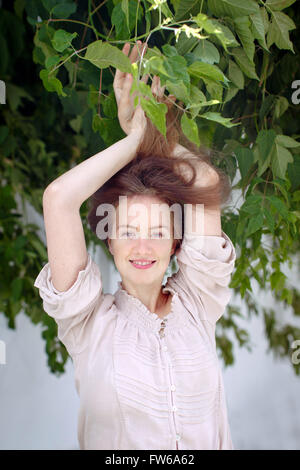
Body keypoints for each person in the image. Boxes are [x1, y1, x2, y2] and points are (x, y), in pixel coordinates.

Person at [33, 41, 236, 450]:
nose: (142, 245)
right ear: (108, 240)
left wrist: (157, 133)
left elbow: (205, 182)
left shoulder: (199, 301)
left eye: (158, 232)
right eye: (127, 231)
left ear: (177, 243)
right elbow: (58, 200)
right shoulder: (88, 323)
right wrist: (136, 139)